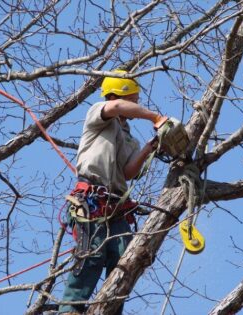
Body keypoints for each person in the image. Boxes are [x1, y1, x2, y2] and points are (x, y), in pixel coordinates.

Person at [59, 70, 166, 315]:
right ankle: (70, 308)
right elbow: (115, 106)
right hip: (90, 201)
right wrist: (155, 116)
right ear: (122, 94)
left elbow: (128, 171)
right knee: (92, 254)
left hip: (116, 207)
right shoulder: (99, 114)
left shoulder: (129, 138)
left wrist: (151, 147)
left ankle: (111, 309)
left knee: (125, 260)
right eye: (134, 100)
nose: (136, 106)